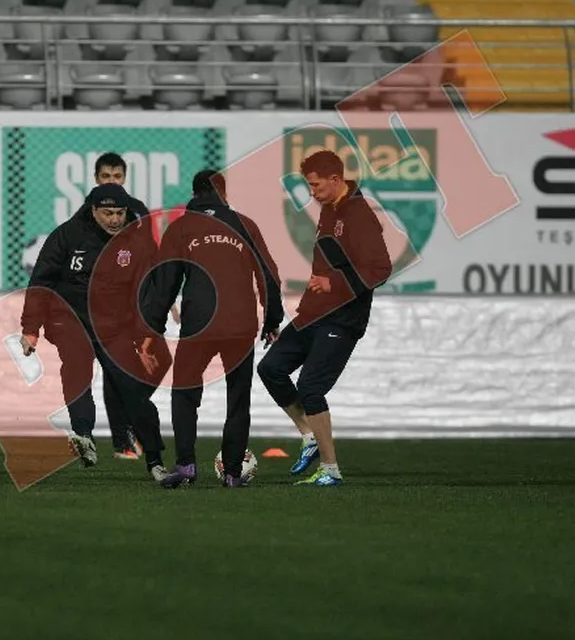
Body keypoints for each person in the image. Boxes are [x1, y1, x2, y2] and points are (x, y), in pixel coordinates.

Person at [139, 169, 284, 488]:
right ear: (224, 193)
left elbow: (165, 283)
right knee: (238, 398)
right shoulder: (245, 224)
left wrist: (152, 329)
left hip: (199, 324)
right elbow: (268, 274)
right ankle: (232, 472)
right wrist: (272, 318)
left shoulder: (181, 227)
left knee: (185, 393)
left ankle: (186, 465)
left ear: (194, 194)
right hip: (240, 324)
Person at [256, 150, 392, 487]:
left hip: (342, 319)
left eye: (316, 185)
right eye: (309, 185)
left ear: (335, 179)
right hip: (315, 313)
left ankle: (330, 469)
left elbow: (380, 268)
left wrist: (335, 283)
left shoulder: (358, 214)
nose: (312, 192)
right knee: (270, 368)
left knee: (311, 387)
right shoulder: (331, 210)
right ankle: (309, 435)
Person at [19, 183, 167, 481]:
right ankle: (84, 435)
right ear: (93, 210)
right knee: (77, 363)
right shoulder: (67, 235)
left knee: (133, 388)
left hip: (114, 326)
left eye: (120, 213)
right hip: (69, 319)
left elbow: (144, 294)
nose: (115, 219)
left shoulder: (135, 243)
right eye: (108, 213)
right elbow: (41, 282)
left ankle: (155, 460)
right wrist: (31, 328)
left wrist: (145, 338)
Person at [60, 151, 177, 461]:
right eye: (105, 176)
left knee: (160, 360)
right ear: (96, 179)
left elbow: (151, 254)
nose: (111, 181)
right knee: (114, 367)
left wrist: (165, 295)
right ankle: (119, 435)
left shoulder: (136, 211)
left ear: (124, 178)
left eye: (116, 176)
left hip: (137, 299)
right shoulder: (85, 216)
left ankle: (126, 418)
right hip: (102, 308)